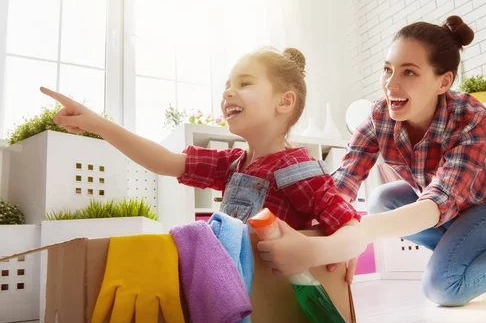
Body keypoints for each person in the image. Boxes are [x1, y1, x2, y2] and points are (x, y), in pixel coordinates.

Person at [258, 16, 486, 306]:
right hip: (453, 209)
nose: (391, 84)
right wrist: (315, 231)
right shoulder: (379, 118)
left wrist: (349, 238)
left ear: (443, 81)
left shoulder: (469, 117)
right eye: (388, 69)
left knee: (444, 287)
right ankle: (467, 253)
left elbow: (437, 203)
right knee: (381, 201)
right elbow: (341, 186)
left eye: (409, 72)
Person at [41, 47, 364, 275]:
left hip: (269, 290)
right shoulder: (233, 164)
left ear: (285, 101)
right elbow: (165, 162)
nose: (227, 93)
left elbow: (351, 229)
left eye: (244, 83)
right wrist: (97, 124)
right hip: (233, 279)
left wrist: (322, 251)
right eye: (226, 86)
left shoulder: (297, 168)